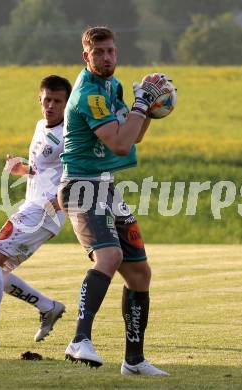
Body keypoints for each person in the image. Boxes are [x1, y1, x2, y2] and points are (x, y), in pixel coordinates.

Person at [58, 26, 170, 376]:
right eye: (99, 52)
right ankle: (79, 339)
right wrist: (139, 103)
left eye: (110, 51)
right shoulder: (89, 93)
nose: (106, 57)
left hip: (105, 187)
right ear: (86, 56)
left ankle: (133, 361)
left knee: (139, 272)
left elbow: (130, 134)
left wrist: (147, 111)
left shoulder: (112, 86)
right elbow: (120, 145)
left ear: (116, 53)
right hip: (80, 185)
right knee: (110, 256)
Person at [0, 75, 72, 347]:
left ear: (67, 104)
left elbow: (78, 171)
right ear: (39, 99)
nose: (51, 106)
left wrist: (62, 200)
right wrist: (23, 170)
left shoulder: (69, 134)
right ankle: (48, 307)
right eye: (47, 99)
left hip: (43, 212)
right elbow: (44, 169)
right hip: (33, 208)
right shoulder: (40, 126)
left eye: (58, 101)